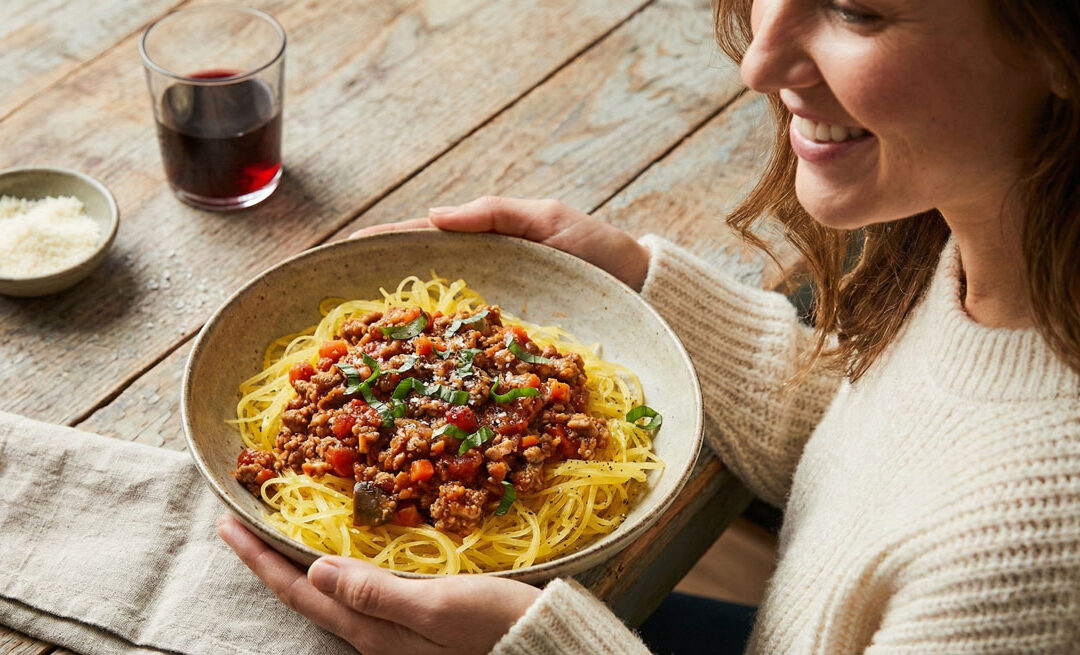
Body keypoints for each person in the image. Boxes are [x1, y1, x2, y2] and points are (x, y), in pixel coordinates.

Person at [217, 0, 1080, 652]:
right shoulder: (991, 242)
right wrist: (636, 281)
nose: (759, 61)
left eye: (854, 6)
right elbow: (896, 454)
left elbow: (962, 508)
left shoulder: (1027, 561)